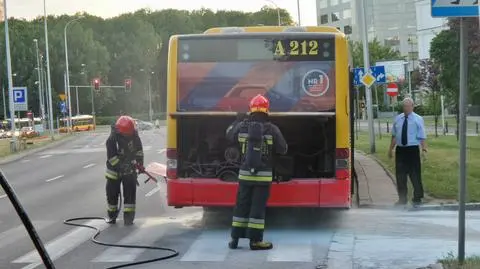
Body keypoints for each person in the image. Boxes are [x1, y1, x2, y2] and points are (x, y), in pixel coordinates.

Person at [226, 94, 288, 251]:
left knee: (241, 205)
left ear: (251, 109)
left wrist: (236, 121)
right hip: (263, 177)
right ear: (267, 110)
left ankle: (234, 239)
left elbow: (228, 136)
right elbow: (283, 149)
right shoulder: (272, 129)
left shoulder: (241, 127)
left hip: (244, 175)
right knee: (257, 208)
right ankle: (255, 241)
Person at [105, 115, 145, 225]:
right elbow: (112, 158)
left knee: (130, 194)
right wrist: (121, 167)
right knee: (112, 195)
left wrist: (140, 163)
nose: (130, 135)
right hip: (114, 172)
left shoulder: (134, 135)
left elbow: (139, 151)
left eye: (131, 132)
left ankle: (129, 218)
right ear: (121, 131)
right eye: (128, 133)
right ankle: (112, 216)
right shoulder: (112, 140)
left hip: (130, 170)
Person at [388, 97, 427, 207]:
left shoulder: (418, 119)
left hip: (412, 149)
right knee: (400, 175)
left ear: (412, 106)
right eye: (404, 106)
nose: (406, 108)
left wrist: (424, 149)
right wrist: (390, 149)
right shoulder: (398, 119)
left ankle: (417, 197)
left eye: (408, 106)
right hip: (401, 150)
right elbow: (395, 135)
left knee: (414, 174)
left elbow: (422, 136)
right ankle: (402, 199)